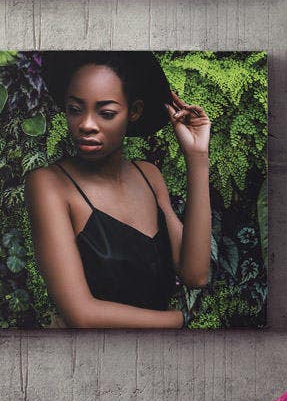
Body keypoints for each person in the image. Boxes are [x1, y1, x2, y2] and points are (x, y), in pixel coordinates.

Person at [25, 51, 211, 328]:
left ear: (134, 112)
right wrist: (178, 319)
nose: (86, 125)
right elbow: (82, 314)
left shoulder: (148, 175)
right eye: (75, 109)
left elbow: (195, 274)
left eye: (106, 113)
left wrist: (197, 158)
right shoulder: (48, 184)